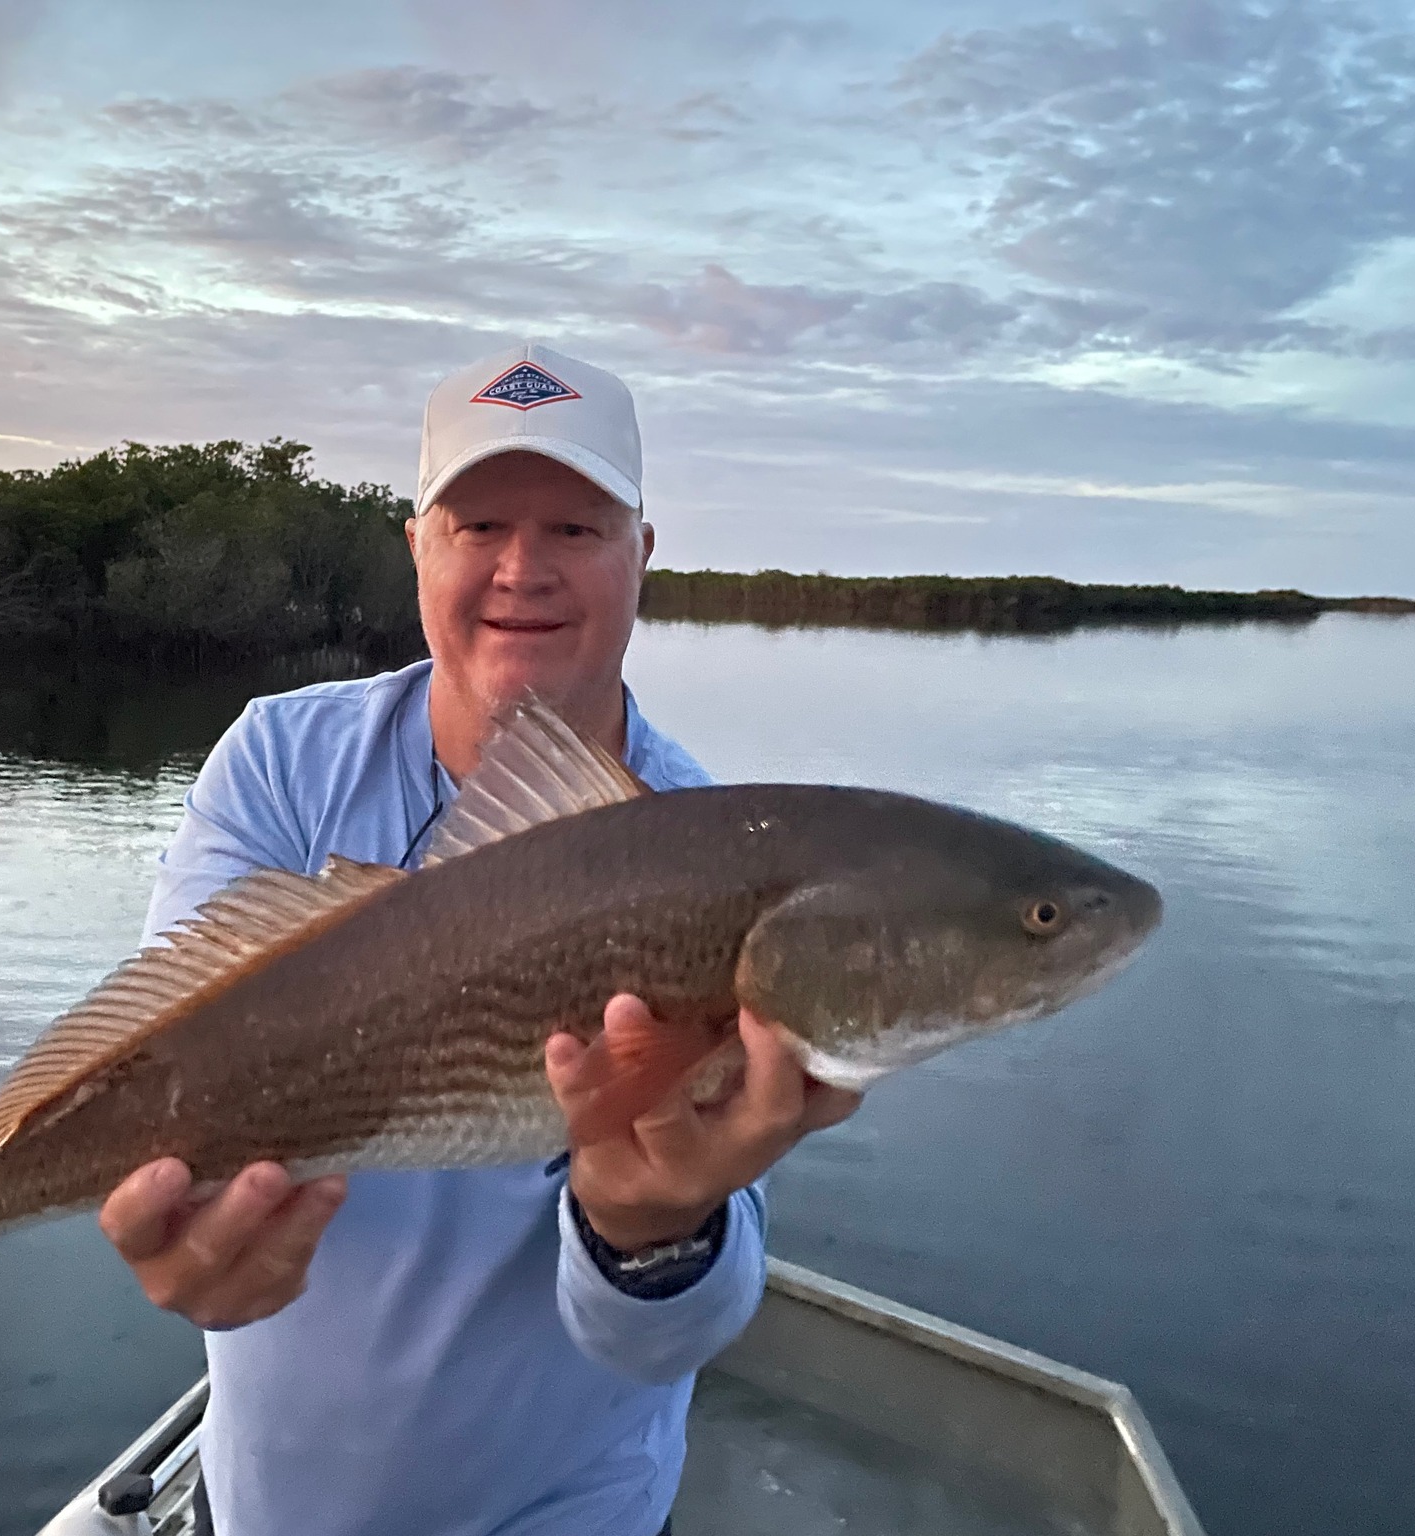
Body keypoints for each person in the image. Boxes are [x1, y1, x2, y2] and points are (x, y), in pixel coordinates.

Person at [98, 343, 862, 1536]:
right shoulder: (280, 762)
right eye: (479, 523)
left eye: (575, 528)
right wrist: (180, 1226)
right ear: (417, 547)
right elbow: (167, 1050)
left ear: (640, 556)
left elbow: (662, 1336)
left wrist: (652, 1230)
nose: (523, 569)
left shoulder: (719, 861)